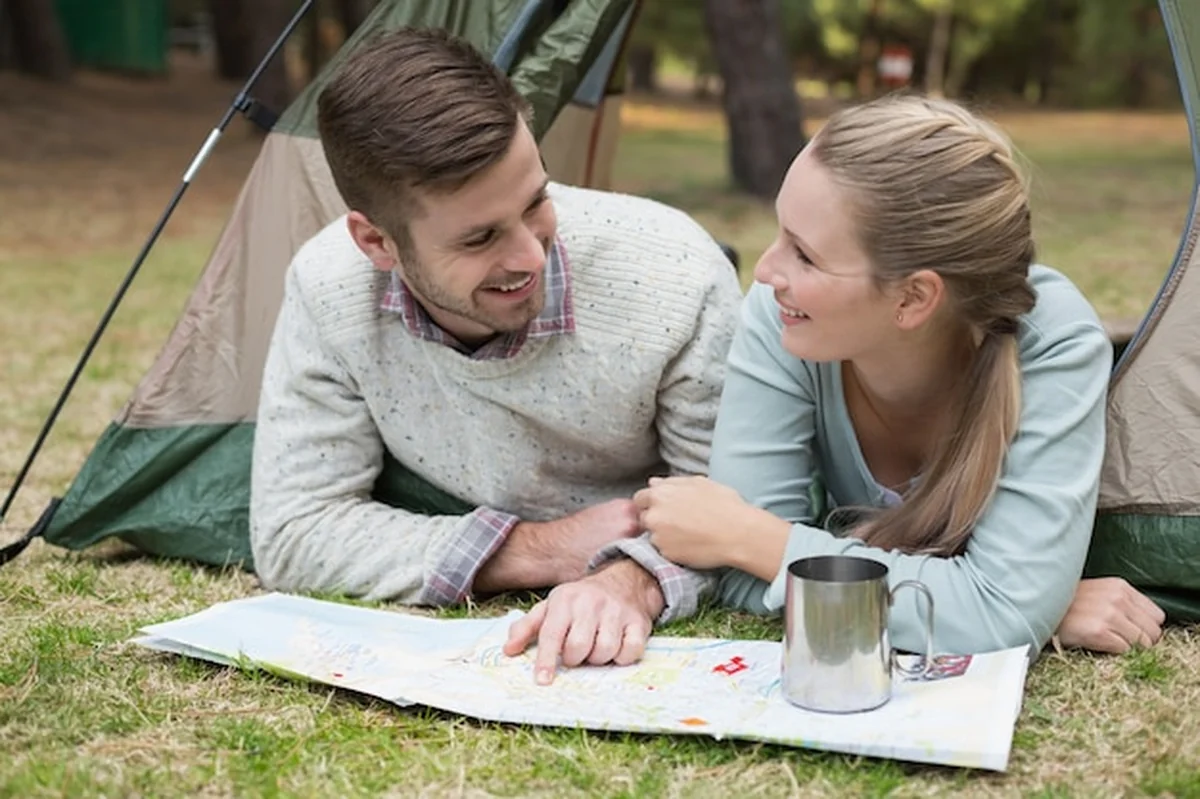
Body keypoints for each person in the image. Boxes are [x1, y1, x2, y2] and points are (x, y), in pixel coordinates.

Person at [249, 28, 742, 674]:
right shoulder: (329, 288)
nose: (529, 256)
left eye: (536, 200)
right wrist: (538, 550)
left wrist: (633, 579)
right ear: (376, 243)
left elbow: (742, 508)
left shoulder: (677, 276)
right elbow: (295, 530)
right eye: (479, 238)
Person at [630, 94, 1166, 657]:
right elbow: (740, 575)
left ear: (913, 297)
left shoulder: (1051, 341)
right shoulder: (784, 317)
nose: (765, 272)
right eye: (779, 233)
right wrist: (1017, 600)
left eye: (805, 256)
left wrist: (752, 537)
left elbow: (747, 545)